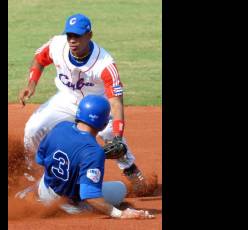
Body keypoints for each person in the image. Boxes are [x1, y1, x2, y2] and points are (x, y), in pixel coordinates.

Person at [19, 13, 146, 193]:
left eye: (77, 36)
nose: (72, 40)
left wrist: (118, 136)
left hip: (100, 105)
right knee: (33, 128)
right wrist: (31, 84)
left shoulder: (105, 64)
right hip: (67, 98)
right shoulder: (57, 45)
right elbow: (39, 59)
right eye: (69, 35)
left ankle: (130, 170)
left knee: (111, 135)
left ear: (89, 36)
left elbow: (116, 102)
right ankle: (31, 174)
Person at [35, 95, 153, 219]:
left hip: (44, 189)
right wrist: (121, 214)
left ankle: (33, 191)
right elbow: (90, 196)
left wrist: (84, 157)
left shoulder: (61, 127)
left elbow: (41, 159)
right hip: (65, 205)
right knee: (120, 189)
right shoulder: (94, 152)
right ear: (104, 124)